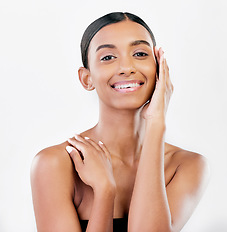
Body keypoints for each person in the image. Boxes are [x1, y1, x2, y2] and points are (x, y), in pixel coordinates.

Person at [30, 12, 210, 232]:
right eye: (108, 57)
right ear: (87, 79)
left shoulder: (186, 166)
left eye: (140, 53)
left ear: (159, 69)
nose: (127, 67)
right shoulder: (55, 164)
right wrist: (105, 192)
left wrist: (156, 124)